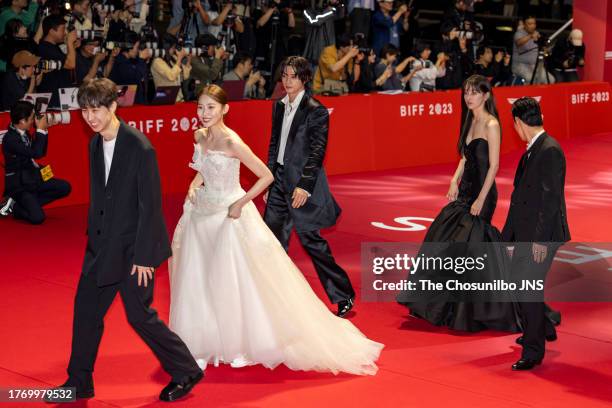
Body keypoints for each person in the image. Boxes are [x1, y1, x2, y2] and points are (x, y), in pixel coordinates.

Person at [168, 83, 383, 373]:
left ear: (224, 109)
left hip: (229, 216)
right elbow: (201, 169)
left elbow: (266, 176)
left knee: (235, 280)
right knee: (203, 278)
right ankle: (208, 340)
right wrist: (194, 186)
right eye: (201, 107)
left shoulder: (232, 141)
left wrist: (241, 203)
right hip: (202, 213)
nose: (204, 113)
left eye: (211, 108)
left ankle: (241, 340)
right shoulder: (199, 136)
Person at [45, 79, 203, 403]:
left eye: (96, 110)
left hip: (133, 251)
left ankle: (186, 370)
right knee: (86, 313)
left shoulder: (139, 148)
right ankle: (79, 383)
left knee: (139, 316)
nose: (90, 118)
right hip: (101, 247)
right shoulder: (94, 143)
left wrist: (144, 257)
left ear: (113, 107)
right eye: (85, 111)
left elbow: (151, 204)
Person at [397, 75, 521, 333]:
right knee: (445, 238)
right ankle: (443, 306)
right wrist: (454, 180)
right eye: (466, 92)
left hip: (482, 193)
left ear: (486, 95)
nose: (469, 96)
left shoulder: (491, 123)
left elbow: (494, 165)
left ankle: (477, 309)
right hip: (465, 190)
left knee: (468, 244)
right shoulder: (470, 120)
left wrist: (481, 199)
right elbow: (465, 158)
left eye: (475, 92)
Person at [263, 56, 356, 317]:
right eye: (284, 75)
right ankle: (273, 297)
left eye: (293, 76)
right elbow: (274, 145)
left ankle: (343, 294)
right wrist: (270, 179)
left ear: (304, 78)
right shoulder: (278, 107)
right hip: (279, 180)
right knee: (271, 240)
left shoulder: (316, 109)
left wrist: (304, 186)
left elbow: (317, 152)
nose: (287, 81)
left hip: (301, 184)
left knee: (311, 241)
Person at [502, 97, 570, 370]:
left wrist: (540, 241)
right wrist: (509, 238)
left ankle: (533, 350)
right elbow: (519, 199)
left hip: (543, 235)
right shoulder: (534, 149)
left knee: (526, 287)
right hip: (528, 231)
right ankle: (544, 327)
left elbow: (550, 199)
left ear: (518, 123)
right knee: (522, 283)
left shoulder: (549, 150)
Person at [0, 101, 71, 223]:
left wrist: (45, 130)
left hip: (34, 176)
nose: (34, 120)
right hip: (20, 185)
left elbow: (41, 153)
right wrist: (40, 131)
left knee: (65, 187)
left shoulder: (24, 132)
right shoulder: (10, 139)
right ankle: (16, 207)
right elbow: (36, 153)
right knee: (38, 218)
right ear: (22, 121)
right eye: (32, 118)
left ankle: (27, 205)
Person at [37, 15, 78, 107]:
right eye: (63, 29)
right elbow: (70, 64)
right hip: (52, 99)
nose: (65, 33)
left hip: (59, 96)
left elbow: (66, 62)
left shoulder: (54, 47)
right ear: (52, 31)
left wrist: (72, 46)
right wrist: (70, 43)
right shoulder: (44, 49)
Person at [511, 16, 554, 84]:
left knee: (551, 80)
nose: (532, 26)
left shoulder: (537, 34)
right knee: (531, 79)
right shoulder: (519, 33)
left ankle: (542, 94)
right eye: (530, 24)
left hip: (535, 65)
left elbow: (543, 47)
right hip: (520, 65)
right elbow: (519, 42)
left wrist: (546, 49)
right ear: (524, 25)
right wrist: (530, 36)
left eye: (534, 23)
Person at [151, 34, 192, 102]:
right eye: (173, 47)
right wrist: (179, 58)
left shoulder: (173, 58)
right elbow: (171, 76)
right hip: (164, 99)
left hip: (178, 98)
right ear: (166, 47)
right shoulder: (157, 62)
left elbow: (185, 76)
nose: (174, 50)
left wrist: (189, 61)